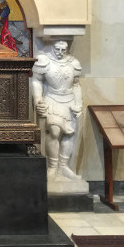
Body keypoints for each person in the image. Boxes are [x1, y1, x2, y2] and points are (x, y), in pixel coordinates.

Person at [32, 40, 83, 180]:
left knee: (69, 134)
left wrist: (78, 102)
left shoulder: (73, 63)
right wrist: (37, 99)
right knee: (54, 131)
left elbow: (76, 85)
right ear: (52, 47)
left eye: (63, 50)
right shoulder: (44, 60)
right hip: (52, 99)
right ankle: (52, 166)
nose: (60, 52)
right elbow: (36, 80)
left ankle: (63, 167)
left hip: (69, 101)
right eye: (57, 49)